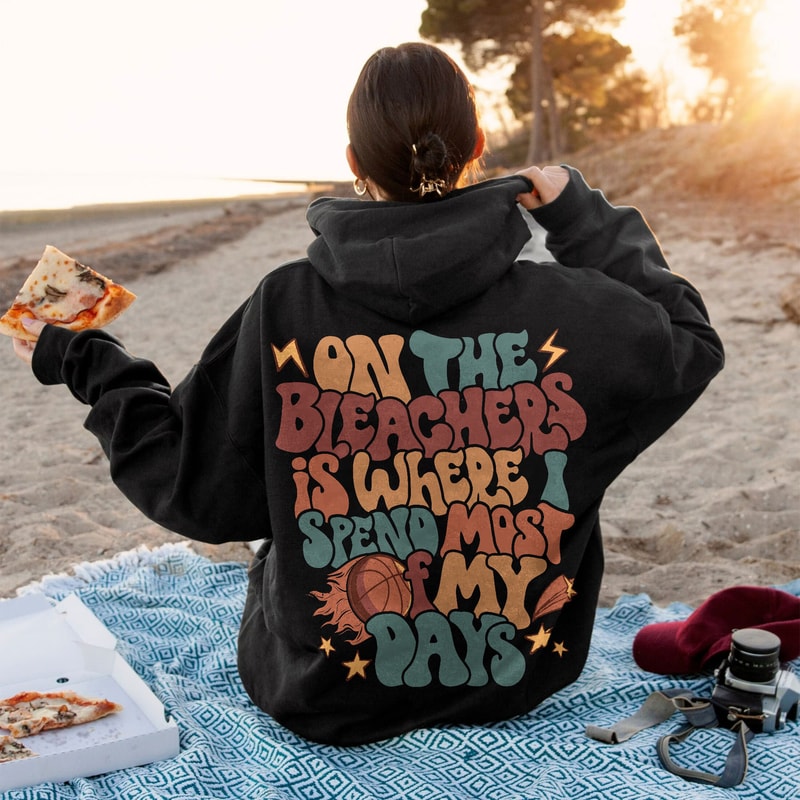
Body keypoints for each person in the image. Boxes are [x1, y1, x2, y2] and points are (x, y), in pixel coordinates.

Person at [12, 42, 724, 746]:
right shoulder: (571, 311)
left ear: (353, 162)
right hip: (517, 677)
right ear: (478, 144)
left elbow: (195, 493)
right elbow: (689, 341)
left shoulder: (284, 305)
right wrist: (580, 217)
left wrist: (87, 356)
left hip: (319, 691)